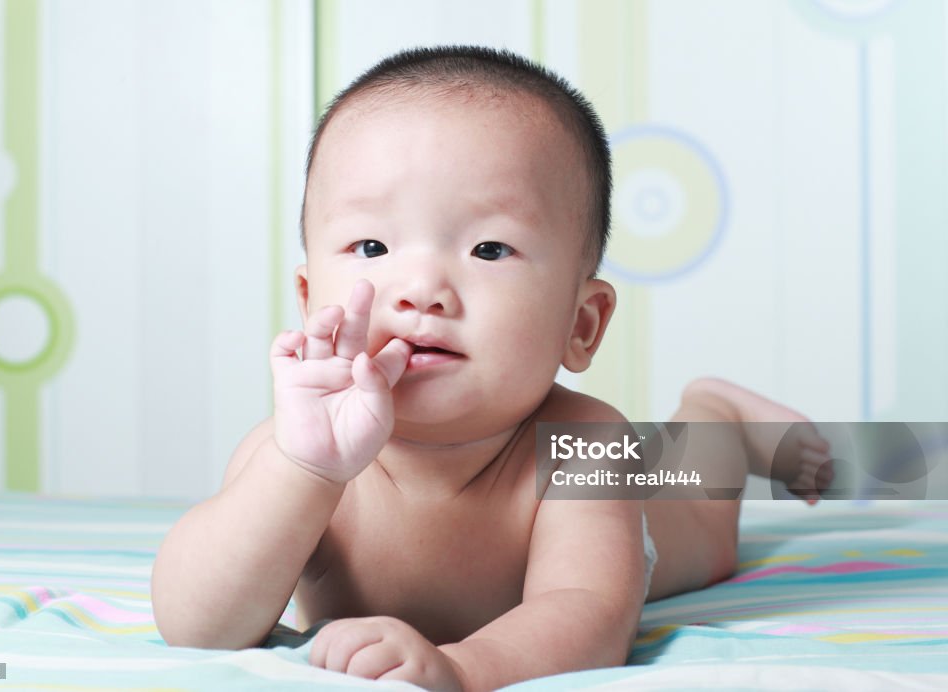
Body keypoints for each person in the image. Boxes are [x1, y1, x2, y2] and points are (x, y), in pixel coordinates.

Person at [151, 46, 832, 691]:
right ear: (308, 301)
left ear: (581, 323)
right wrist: (303, 471)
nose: (421, 289)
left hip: (649, 518)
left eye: (489, 248)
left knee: (702, 519)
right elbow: (196, 627)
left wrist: (466, 670)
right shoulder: (289, 453)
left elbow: (590, 613)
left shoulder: (587, 444)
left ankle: (717, 415)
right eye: (371, 244)